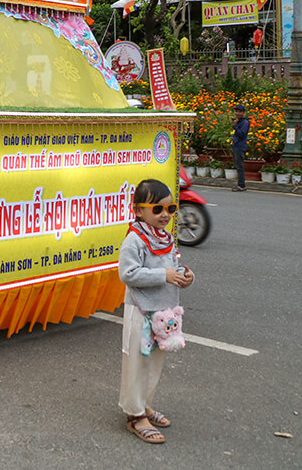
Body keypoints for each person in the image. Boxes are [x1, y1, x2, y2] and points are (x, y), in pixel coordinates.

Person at [118, 179, 194, 444]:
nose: (165, 215)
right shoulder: (134, 240)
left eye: (170, 209)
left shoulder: (164, 237)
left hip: (164, 312)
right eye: (157, 209)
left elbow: (171, 267)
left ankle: (145, 404)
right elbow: (128, 274)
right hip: (141, 311)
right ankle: (135, 415)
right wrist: (165, 275)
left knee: (154, 363)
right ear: (138, 210)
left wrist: (185, 276)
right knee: (137, 362)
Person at [231, 104, 250, 192]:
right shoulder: (239, 122)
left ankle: (241, 185)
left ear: (243, 112)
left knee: (240, 166)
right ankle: (240, 184)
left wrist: (235, 126)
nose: (237, 113)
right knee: (237, 165)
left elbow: (242, 134)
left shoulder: (245, 123)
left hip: (240, 146)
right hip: (236, 145)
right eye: (236, 111)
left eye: (239, 111)